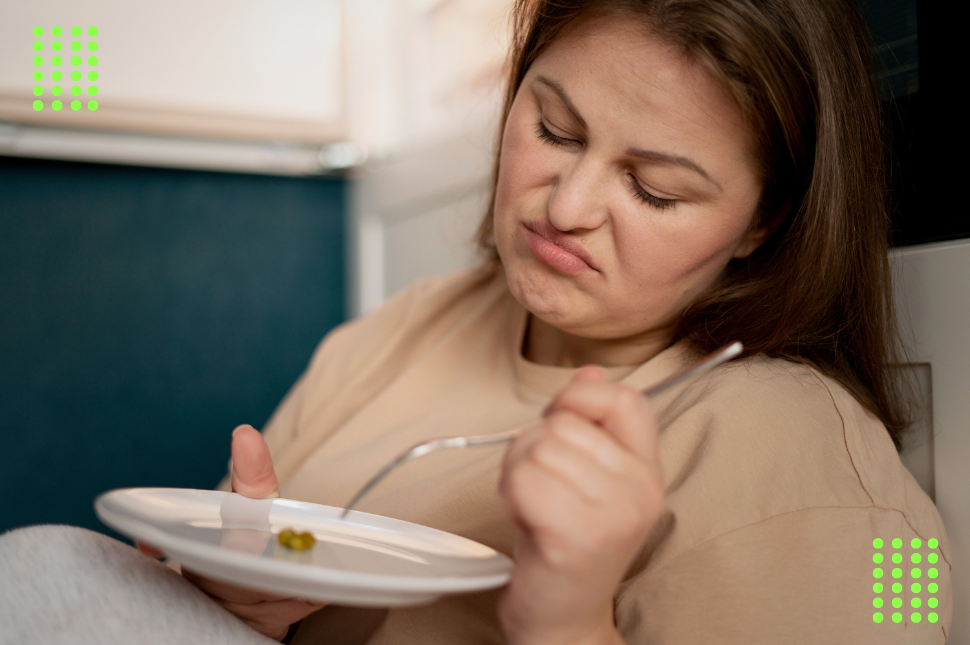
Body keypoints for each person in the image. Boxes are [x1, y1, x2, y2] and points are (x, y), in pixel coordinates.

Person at [0, 0, 952, 643]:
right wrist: (238, 595)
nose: (567, 203)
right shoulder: (408, 328)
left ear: (764, 221)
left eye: (654, 189)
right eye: (555, 130)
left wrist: (567, 618)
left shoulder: (794, 459)